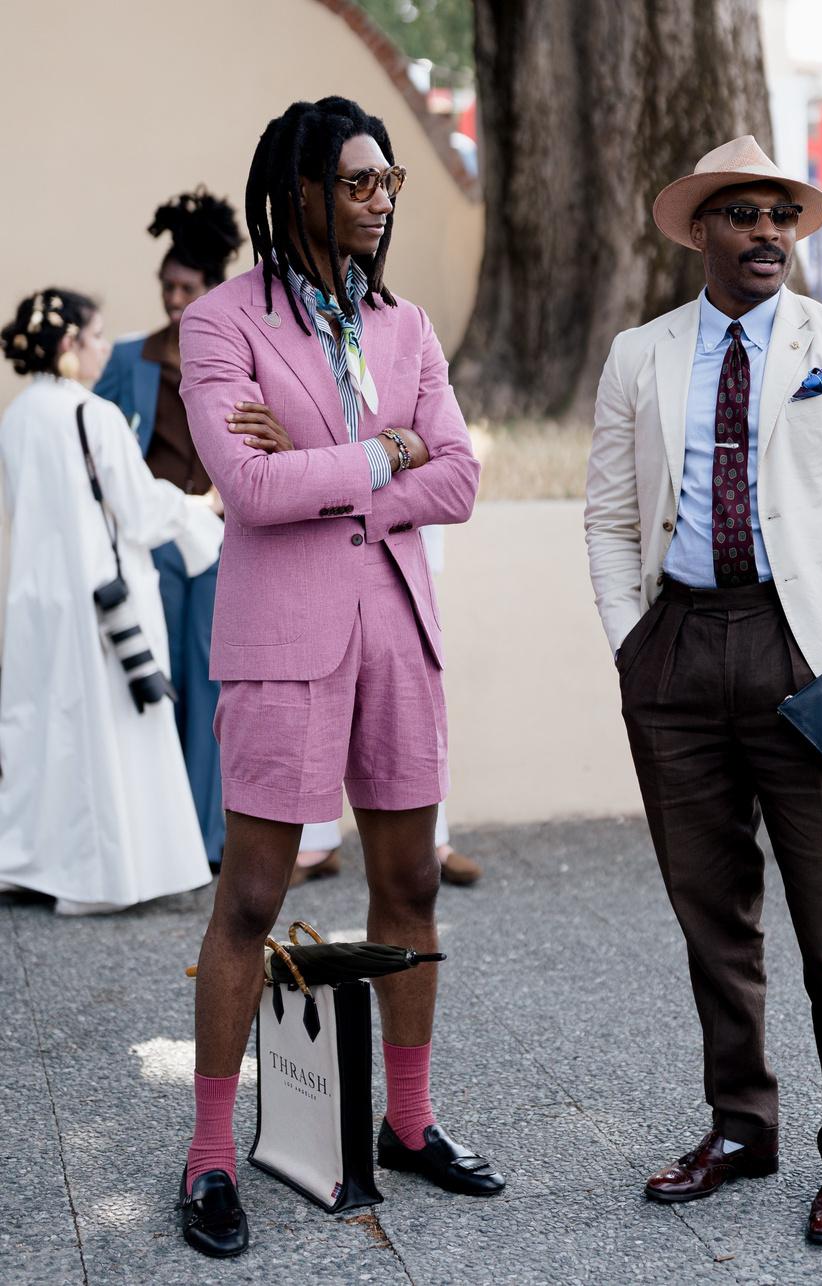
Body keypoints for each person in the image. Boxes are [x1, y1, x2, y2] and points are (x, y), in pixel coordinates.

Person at [585, 136, 822, 1247]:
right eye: (741, 214)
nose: (766, 232)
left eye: (780, 215)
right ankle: (741, 1125)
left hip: (811, 655)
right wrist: (634, 647)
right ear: (700, 230)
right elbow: (608, 516)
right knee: (712, 919)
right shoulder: (639, 355)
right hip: (678, 650)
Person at [175, 96, 503, 1259]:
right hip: (283, 644)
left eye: (389, 182)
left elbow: (459, 476)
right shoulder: (221, 324)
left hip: (398, 631)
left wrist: (336, 465)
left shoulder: (404, 324)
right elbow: (247, 488)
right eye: (359, 183)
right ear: (300, 191)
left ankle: (408, 1122)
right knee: (252, 897)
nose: (380, 201)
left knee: (407, 878)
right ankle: (210, 1155)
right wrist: (382, 451)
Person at [0, 289, 222, 914]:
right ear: (69, 345)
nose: (105, 347)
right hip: (102, 598)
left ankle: (33, 863)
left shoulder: (16, 417)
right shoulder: (92, 415)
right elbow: (141, 510)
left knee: (44, 729)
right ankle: (104, 878)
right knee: (111, 731)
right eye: (97, 336)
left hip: (37, 599)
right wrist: (201, 507)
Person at [95, 189, 243, 869]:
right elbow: (96, 440)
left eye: (186, 288)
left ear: (212, 288)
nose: (174, 300)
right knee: (162, 680)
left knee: (213, 687)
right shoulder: (130, 360)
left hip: (218, 544)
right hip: (154, 543)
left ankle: (207, 841)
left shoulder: (236, 355)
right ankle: (160, 838)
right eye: (167, 287)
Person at [292, 525, 482, 889]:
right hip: (317, 545)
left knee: (412, 714)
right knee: (318, 703)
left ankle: (434, 841)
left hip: (404, 546)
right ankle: (314, 843)